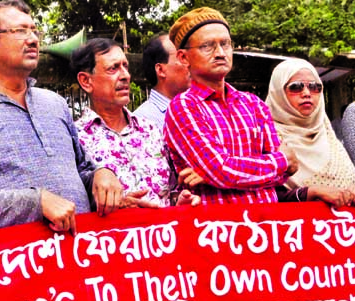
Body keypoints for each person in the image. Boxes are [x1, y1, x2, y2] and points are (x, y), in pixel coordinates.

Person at [0, 0, 136, 235]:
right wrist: (36, 203)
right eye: (20, 31)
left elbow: (81, 170)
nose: (33, 39)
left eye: (34, 30)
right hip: (19, 263)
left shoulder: (55, 103)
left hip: (83, 253)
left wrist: (101, 177)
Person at [164, 7, 298, 205]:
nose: (220, 53)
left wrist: (216, 174)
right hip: (217, 230)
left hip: (269, 226)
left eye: (225, 44)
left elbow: (283, 177)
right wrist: (280, 161)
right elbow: (221, 171)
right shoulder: (184, 107)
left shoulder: (253, 103)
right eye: (207, 46)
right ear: (184, 58)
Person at [72, 38, 198, 208]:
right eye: (113, 68)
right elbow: (73, 203)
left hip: (165, 233)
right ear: (86, 81)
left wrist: (181, 200)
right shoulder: (76, 139)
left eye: (126, 66)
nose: (125, 75)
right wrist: (116, 208)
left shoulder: (150, 129)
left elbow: (172, 190)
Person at [266, 59, 355, 206]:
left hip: (340, 227)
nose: (307, 93)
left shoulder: (327, 135)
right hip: (294, 227)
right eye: (296, 87)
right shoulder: (267, 138)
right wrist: (310, 192)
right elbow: (263, 197)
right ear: (278, 92)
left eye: (315, 87)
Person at [135, 33, 190, 130]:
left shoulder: (200, 110)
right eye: (181, 57)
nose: (190, 63)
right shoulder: (142, 122)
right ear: (160, 70)